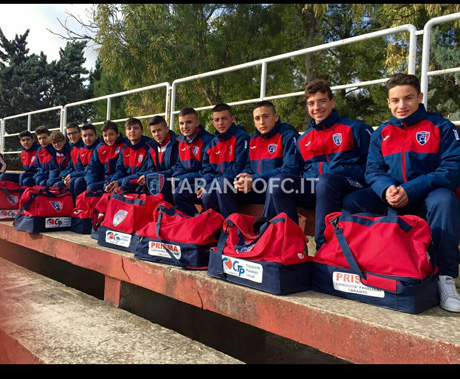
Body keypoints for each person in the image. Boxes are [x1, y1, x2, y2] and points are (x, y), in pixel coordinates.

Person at [342, 73, 460, 312]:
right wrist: (387, 189)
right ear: (388, 102)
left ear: (420, 97)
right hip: (393, 195)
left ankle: (445, 278)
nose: (401, 105)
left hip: (427, 196)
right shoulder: (382, 132)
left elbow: (452, 168)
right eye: (395, 100)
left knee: (446, 200)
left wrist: (411, 189)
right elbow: (373, 169)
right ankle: (366, 264)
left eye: (408, 98)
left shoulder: (440, 127)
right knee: (353, 202)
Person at [264, 79, 374, 250]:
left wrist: (338, 172)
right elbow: (296, 169)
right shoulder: (303, 139)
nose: (317, 108)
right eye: (311, 103)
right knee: (278, 183)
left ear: (332, 102)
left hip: (350, 184)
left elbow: (371, 166)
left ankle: (324, 248)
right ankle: (292, 246)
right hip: (316, 187)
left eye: (322, 101)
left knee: (326, 181)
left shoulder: (355, 128)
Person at [216, 100, 300, 218]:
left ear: (275, 117)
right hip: (256, 187)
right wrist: (245, 178)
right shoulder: (252, 140)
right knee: (224, 184)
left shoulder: (287, 136)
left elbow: (291, 169)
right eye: (257, 118)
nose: (262, 122)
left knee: (275, 184)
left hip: (279, 189)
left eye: (266, 116)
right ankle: (234, 229)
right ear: (254, 122)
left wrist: (255, 179)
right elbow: (248, 166)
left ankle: (264, 230)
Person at [198, 103, 250, 216]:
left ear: (232, 119)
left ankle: (233, 227)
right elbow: (207, 171)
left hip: (238, 185)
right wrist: (205, 185)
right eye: (217, 120)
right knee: (182, 192)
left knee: (220, 187)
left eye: (224, 119)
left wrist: (212, 185)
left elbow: (237, 169)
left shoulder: (241, 138)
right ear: (213, 122)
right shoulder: (212, 144)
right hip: (218, 183)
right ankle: (215, 227)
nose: (220, 123)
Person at [171, 107, 213, 216]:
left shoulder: (207, 140)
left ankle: (199, 219)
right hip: (189, 181)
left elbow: (207, 170)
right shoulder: (180, 141)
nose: (184, 127)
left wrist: (183, 178)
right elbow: (180, 166)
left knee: (179, 190)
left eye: (188, 122)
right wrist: (176, 177)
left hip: (206, 181)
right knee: (164, 183)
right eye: (181, 123)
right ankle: (186, 218)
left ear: (197, 122)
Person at [136, 115, 179, 203]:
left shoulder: (177, 144)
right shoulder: (152, 147)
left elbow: (176, 169)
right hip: (159, 180)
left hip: (174, 180)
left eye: (159, 130)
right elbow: (150, 169)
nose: (156, 134)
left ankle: (166, 212)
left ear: (167, 129)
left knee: (157, 182)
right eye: (153, 131)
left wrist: (153, 176)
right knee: (135, 185)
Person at [104, 118, 151, 193]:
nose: (132, 131)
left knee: (125, 183)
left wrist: (119, 182)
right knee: (102, 187)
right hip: (125, 182)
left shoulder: (149, 147)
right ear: (126, 133)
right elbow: (120, 171)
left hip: (141, 183)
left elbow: (145, 171)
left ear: (142, 131)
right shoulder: (124, 149)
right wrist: (112, 182)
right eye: (129, 129)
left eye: (135, 128)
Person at [86, 121, 126, 192]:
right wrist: (91, 182)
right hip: (104, 179)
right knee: (86, 186)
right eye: (105, 135)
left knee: (92, 188)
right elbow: (93, 169)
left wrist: (111, 182)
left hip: (117, 180)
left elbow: (121, 170)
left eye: (111, 134)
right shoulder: (100, 148)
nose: (108, 138)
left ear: (118, 134)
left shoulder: (123, 146)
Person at [64, 123, 100, 201]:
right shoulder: (82, 150)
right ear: (81, 136)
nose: (87, 138)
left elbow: (94, 170)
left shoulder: (99, 148)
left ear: (96, 136)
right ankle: (75, 207)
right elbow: (79, 168)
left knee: (78, 181)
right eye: (84, 136)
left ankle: (81, 206)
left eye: (90, 135)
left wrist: (73, 174)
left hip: (97, 175)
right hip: (85, 174)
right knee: (72, 181)